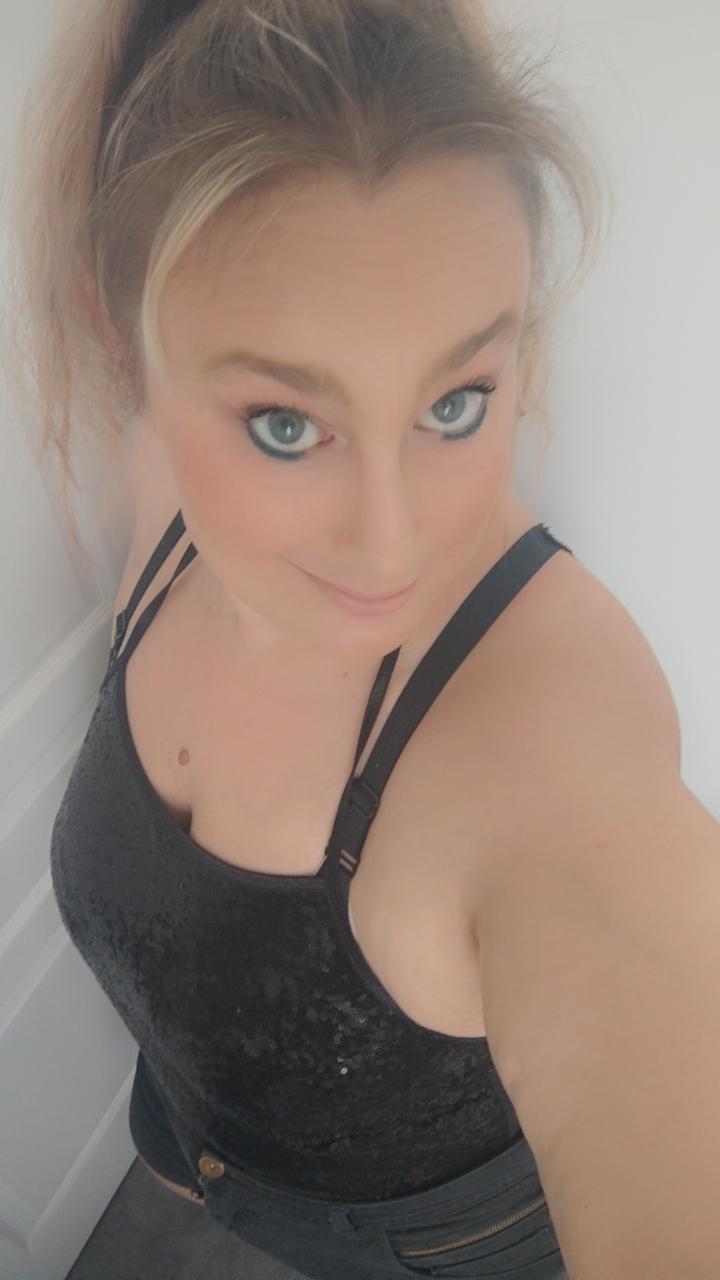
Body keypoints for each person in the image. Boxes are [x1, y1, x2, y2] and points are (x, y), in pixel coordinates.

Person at [8, 3, 719, 1279]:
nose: (392, 546)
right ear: (130, 345)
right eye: (286, 424)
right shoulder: (159, 499)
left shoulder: (549, 748)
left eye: (457, 402)